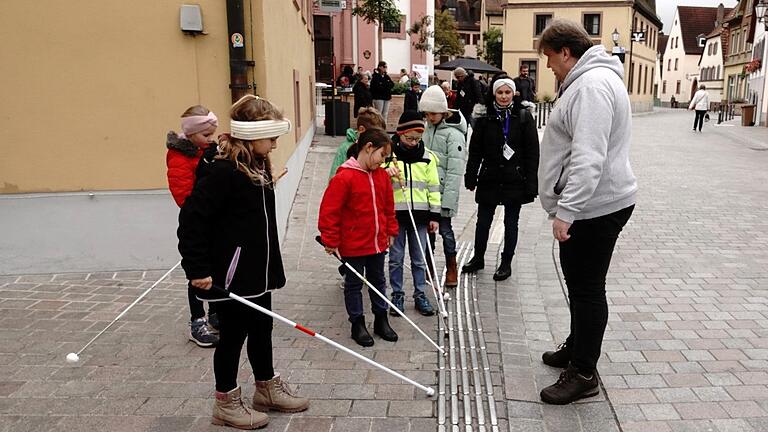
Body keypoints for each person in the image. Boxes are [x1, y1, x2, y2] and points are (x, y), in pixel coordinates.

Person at [178, 95, 309, 429]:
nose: (276, 144)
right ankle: (226, 400)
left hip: (258, 270)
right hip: (232, 274)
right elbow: (192, 219)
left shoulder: (256, 164)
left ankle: (266, 387)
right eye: (271, 138)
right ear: (252, 136)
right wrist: (198, 269)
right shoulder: (224, 171)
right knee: (233, 336)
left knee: (262, 328)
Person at [536, 19, 637, 405]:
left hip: (594, 208)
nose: (548, 67)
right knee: (581, 287)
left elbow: (589, 158)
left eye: (549, 58)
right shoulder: (589, 81)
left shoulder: (592, 86)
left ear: (566, 52)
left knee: (587, 289)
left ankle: (582, 372)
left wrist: (567, 211)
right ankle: (577, 347)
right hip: (594, 204)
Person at [318, 128, 400, 347]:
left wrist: (391, 230)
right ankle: (357, 323)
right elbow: (329, 211)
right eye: (382, 155)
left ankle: (381, 319)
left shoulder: (381, 176)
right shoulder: (344, 177)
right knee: (354, 284)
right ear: (368, 147)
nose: (383, 162)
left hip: (376, 242)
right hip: (353, 244)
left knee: (378, 281)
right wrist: (330, 239)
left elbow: (388, 207)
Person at [462, 75, 539, 281]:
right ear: (493, 93)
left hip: (515, 177)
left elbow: (533, 152)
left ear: (513, 93)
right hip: (490, 177)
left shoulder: (523, 116)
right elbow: (475, 150)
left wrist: (531, 183)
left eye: (507, 92)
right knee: (483, 222)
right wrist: (471, 176)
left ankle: (506, 263)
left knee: (511, 223)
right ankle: (478, 257)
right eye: (500, 92)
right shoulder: (485, 117)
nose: (504, 96)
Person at [165, 105, 220, 348]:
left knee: (218, 267)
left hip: (215, 219)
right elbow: (184, 197)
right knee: (198, 273)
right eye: (206, 136)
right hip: (196, 221)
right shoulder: (179, 157)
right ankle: (197, 319)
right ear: (190, 134)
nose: (211, 140)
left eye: (212, 135)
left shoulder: (205, 150)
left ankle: (217, 311)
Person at [386, 111, 439, 317]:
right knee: (396, 258)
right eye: (409, 138)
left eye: (418, 138)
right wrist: (387, 173)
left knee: (419, 259)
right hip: (396, 216)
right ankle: (397, 294)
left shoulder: (427, 158)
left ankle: (420, 294)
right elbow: (380, 181)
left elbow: (433, 187)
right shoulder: (389, 156)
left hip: (420, 217)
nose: (413, 142)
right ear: (400, 135)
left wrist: (435, 216)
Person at [419, 85, 467, 288]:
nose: (429, 117)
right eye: (427, 114)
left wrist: (447, 202)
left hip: (443, 194)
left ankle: (451, 266)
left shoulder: (454, 135)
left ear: (442, 111)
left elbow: (455, 172)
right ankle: (428, 266)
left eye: (432, 113)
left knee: (446, 232)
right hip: (427, 193)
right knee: (427, 232)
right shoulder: (427, 130)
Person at [328, 107, 387, 181]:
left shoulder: (377, 148)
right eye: (375, 135)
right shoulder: (345, 149)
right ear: (362, 130)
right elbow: (334, 177)